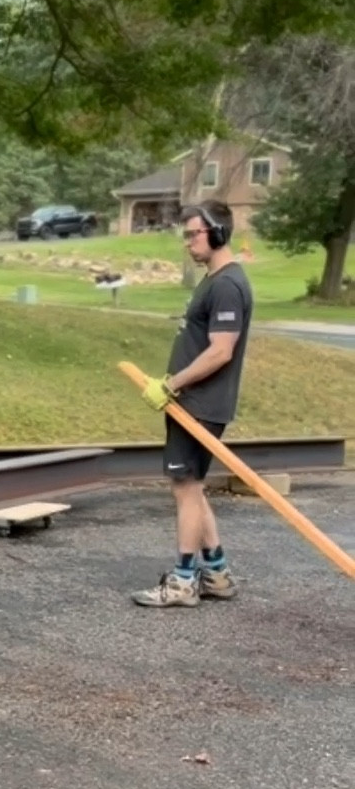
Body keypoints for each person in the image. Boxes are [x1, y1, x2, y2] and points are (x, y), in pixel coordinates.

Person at [132, 200, 253, 608]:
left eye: (193, 233)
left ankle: (183, 582)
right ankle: (216, 573)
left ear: (217, 232)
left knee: (185, 489)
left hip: (199, 405)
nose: (187, 242)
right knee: (192, 488)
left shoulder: (227, 285)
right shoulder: (214, 280)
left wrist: (171, 385)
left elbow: (221, 351)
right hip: (191, 403)